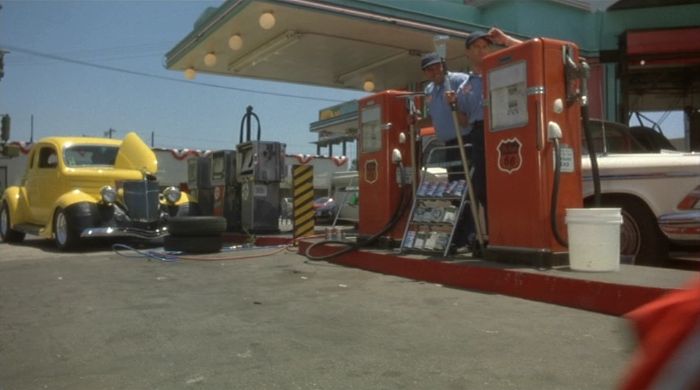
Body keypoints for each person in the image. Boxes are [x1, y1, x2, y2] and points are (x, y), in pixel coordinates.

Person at [455, 28, 523, 248]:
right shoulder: (464, 88)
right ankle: (496, 236)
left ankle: (513, 233)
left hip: (507, 130)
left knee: (511, 182)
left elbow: (527, 51)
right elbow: (464, 121)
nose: (482, 51)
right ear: (468, 53)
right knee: (482, 187)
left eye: (486, 46)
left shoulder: (503, 68)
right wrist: (453, 106)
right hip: (480, 132)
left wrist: (505, 40)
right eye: (476, 47)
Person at [414, 52, 472, 249]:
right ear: (425, 72)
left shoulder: (460, 80)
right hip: (448, 144)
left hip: (466, 140)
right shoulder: (429, 89)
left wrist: (455, 102)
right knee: (456, 192)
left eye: (437, 66)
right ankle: (460, 236)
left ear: (443, 66)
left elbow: (471, 108)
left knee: (469, 190)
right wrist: (416, 122)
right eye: (429, 68)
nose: (434, 71)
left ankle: (470, 236)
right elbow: (434, 117)